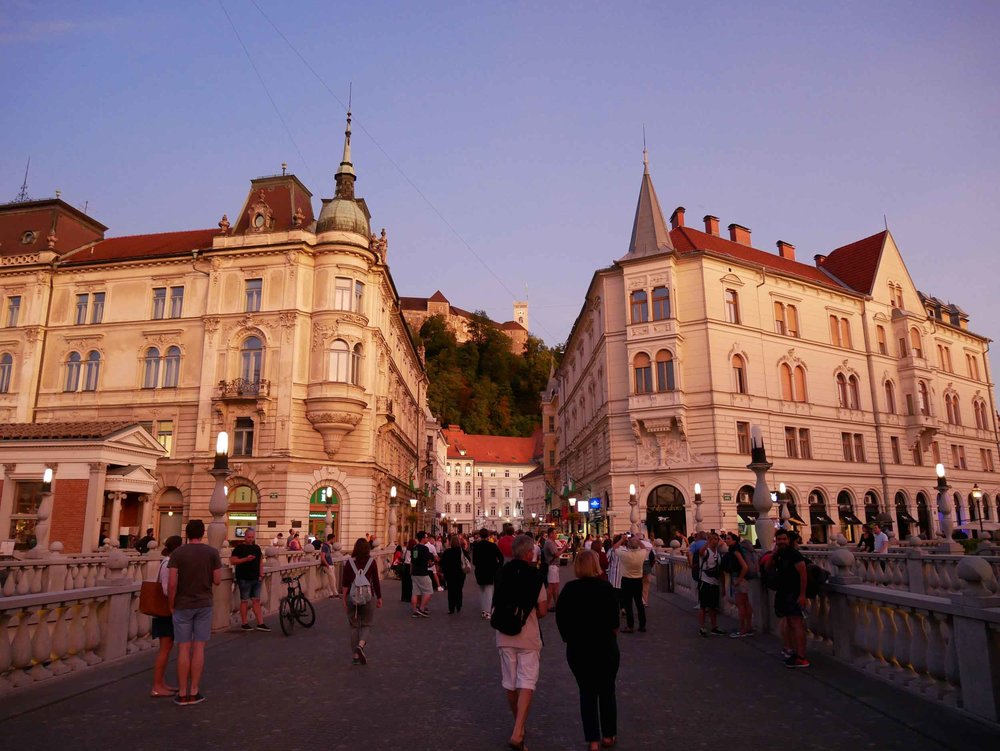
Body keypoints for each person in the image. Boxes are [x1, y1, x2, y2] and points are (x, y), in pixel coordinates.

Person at [556, 550, 619, 751]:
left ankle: (592, 739)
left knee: (587, 692)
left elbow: (561, 619)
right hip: (605, 647)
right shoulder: (606, 588)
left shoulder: (569, 589)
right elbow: (615, 621)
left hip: (579, 649)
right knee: (607, 691)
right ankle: (608, 735)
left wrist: (569, 638)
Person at [494, 534, 548, 751]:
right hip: (528, 635)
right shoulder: (535, 576)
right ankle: (518, 731)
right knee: (526, 682)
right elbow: (543, 610)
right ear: (528, 553)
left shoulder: (501, 573)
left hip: (504, 634)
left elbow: (495, 601)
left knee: (510, 682)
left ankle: (519, 725)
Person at [167, 519, 222, 705]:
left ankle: (182, 693)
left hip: (182, 604)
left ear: (187, 534)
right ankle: (194, 691)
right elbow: (217, 580)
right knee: (199, 648)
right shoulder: (212, 553)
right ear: (203, 533)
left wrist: (171, 604)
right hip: (204, 604)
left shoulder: (177, 553)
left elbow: (172, 583)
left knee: (183, 648)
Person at [768, 529, 810, 668]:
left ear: (789, 540)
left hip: (794, 593)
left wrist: (802, 594)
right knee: (790, 624)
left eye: (784, 539)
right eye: (779, 539)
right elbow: (768, 567)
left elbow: (803, 575)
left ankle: (802, 657)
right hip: (783, 592)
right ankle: (793, 652)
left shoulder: (794, 554)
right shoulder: (779, 554)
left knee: (797, 623)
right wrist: (773, 554)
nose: (781, 542)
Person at [150, 534, 182, 697]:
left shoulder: (167, 563)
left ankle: (161, 683)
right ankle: (156, 686)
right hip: (165, 611)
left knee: (167, 648)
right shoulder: (168, 564)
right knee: (164, 649)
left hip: (167, 611)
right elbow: (166, 588)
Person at [342, 537, 382, 665]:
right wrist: (379, 597)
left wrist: (344, 598)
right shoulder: (372, 562)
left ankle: (355, 655)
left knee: (354, 626)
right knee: (366, 624)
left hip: (351, 598)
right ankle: (361, 645)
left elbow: (345, 583)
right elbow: (375, 581)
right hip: (368, 598)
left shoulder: (349, 563)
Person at [230, 528, 270, 632]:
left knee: (256, 600)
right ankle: (244, 623)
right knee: (244, 601)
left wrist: (261, 574)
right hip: (244, 578)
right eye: (249, 537)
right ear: (245, 537)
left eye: (252, 537)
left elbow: (260, 561)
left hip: (256, 578)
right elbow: (233, 561)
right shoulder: (239, 548)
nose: (250, 539)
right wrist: (246, 559)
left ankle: (260, 623)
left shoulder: (256, 548)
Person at [613, 535, 647, 633]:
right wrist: (638, 540)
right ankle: (642, 625)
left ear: (628, 545)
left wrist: (622, 539)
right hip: (637, 580)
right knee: (639, 603)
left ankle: (630, 625)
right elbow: (644, 548)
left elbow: (615, 547)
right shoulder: (641, 554)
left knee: (628, 604)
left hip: (627, 580)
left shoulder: (625, 555)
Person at [696, 531, 727, 637]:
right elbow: (700, 552)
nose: (714, 541)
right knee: (703, 606)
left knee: (713, 607)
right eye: (712, 539)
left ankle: (714, 627)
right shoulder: (707, 551)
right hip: (705, 582)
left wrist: (723, 586)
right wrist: (707, 542)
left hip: (715, 583)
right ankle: (702, 627)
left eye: (716, 539)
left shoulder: (718, 554)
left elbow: (721, 571)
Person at [724, 532, 754, 637]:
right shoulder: (738, 550)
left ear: (734, 540)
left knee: (741, 605)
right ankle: (749, 627)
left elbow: (744, 567)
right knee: (746, 603)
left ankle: (742, 629)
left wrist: (738, 580)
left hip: (739, 579)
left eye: (728, 539)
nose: (726, 540)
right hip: (744, 580)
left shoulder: (735, 552)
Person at [472, 528, 504, 619]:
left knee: (482, 591)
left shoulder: (476, 546)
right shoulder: (492, 545)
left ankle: (483, 611)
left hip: (480, 571)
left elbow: (474, 560)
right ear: (488, 535)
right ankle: (488, 611)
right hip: (490, 570)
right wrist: (497, 567)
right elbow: (500, 557)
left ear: (480, 535)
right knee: (489, 591)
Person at [440, 534, 469, 614]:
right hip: (460, 574)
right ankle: (459, 605)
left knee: (451, 591)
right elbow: (468, 560)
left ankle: (451, 608)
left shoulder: (447, 552)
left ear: (451, 543)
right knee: (459, 590)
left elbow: (442, 562)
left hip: (450, 574)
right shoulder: (462, 551)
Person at [410, 531, 436, 617]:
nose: (427, 538)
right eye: (426, 537)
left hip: (414, 572)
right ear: (422, 538)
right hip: (422, 572)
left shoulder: (415, 548)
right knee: (429, 591)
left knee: (415, 592)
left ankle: (414, 611)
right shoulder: (424, 548)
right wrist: (431, 563)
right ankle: (421, 608)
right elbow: (428, 560)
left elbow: (413, 560)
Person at [542, 527, 566, 610]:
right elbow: (556, 554)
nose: (556, 535)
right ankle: (547, 605)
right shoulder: (550, 543)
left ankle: (556, 604)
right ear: (551, 534)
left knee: (555, 586)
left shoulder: (550, 542)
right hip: (552, 566)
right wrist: (564, 548)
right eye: (555, 533)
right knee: (551, 587)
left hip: (553, 566)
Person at [319, 533, 338, 597]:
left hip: (330, 565)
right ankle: (336, 594)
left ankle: (331, 593)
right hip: (327, 565)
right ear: (332, 539)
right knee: (333, 580)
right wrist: (327, 565)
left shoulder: (328, 546)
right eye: (334, 539)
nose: (334, 540)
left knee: (331, 580)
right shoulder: (325, 546)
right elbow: (322, 557)